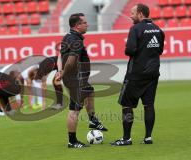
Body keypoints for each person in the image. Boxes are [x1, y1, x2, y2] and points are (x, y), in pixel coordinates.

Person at [111, 3, 165, 146]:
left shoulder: (135, 29)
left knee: (126, 105)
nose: (130, 16)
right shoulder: (159, 30)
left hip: (136, 73)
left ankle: (126, 138)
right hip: (153, 73)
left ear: (141, 14)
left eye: (133, 13)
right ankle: (148, 137)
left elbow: (129, 50)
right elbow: (159, 50)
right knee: (149, 105)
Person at [59, 13, 108, 148]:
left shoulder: (68, 37)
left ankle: (93, 120)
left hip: (77, 79)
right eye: (84, 23)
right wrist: (64, 72)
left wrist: (60, 71)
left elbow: (59, 56)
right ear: (77, 25)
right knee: (74, 109)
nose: (87, 24)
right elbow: (70, 61)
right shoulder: (76, 40)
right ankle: (72, 141)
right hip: (75, 80)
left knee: (90, 92)